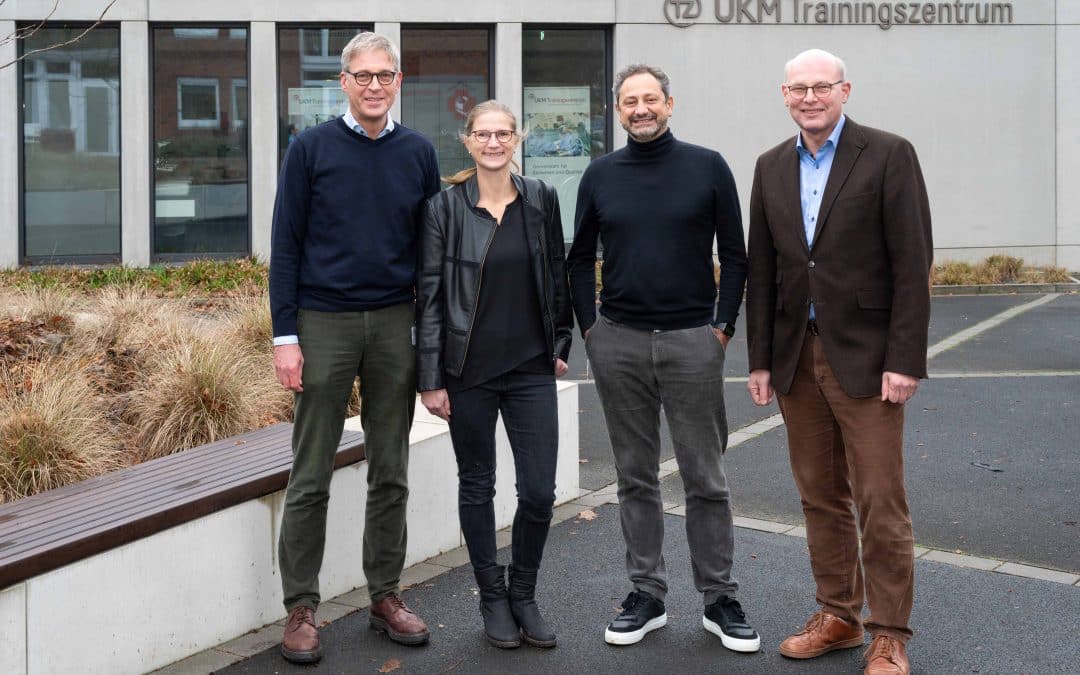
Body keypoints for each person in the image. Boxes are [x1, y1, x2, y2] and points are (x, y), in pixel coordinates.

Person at [745, 49, 932, 675]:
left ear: (844, 90)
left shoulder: (888, 153)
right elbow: (764, 271)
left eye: (820, 87)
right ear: (784, 94)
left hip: (870, 360)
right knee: (819, 497)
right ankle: (838, 615)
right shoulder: (770, 166)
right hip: (798, 359)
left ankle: (889, 633)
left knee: (880, 499)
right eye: (797, 88)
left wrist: (904, 359)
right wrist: (762, 361)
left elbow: (912, 265)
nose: (809, 97)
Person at [566, 64, 759, 652]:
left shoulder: (707, 167)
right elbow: (578, 259)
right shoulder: (600, 175)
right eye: (630, 101)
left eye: (651, 99)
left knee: (705, 475)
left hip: (692, 341)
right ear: (618, 110)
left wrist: (721, 330)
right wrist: (592, 332)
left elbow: (736, 254)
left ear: (669, 104)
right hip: (618, 340)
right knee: (635, 475)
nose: (641, 108)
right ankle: (646, 594)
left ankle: (719, 597)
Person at [269, 31, 440, 664]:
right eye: (362, 76)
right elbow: (285, 243)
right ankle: (301, 607)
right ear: (343, 82)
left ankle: (385, 596)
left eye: (384, 75)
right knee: (311, 471)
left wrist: (432, 337)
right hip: (323, 323)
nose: (374, 85)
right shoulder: (311, 148)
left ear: (397, 82)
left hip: (396, 323)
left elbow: (431, 254)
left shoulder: (418, 153)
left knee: (391, 467)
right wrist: (285, 336)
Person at [416, 100, 572, 650]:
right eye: (483, 133)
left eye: (503, 133)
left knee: (538, 491)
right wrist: (431, 377)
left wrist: (560, 340)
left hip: (530, 368)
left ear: (517, 138)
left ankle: (523, 591)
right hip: (468, 372)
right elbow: (430, 298)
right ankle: (491, 596)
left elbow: (557, 270)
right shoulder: (445, 208)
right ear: (468, 141)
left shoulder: (541, 199)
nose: (493, 142)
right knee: (477, 485)